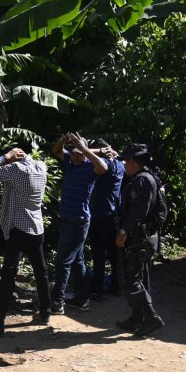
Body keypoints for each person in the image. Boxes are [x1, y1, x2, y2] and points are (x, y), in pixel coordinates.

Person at [0, 145, 50, 337]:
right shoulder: (41, 166)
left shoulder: (16, 169)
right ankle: (46, 312)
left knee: (8, 276)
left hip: (19, 229)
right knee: (41, 272)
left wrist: (6, 157)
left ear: (15, 157)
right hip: (36, 227)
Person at [49, 132, 109, 313]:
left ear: (85, 152)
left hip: (79, 221)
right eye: (73, 152)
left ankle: (57, 301)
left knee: (62, 261)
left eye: (79, 153)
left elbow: (104, 168)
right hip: (67, 219)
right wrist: (63, 139)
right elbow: (56, 150)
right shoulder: (69, 162)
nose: (75, 156)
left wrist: (84, 149)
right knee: (77, 261)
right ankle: (83, 298)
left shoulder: (90, 167)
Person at [114, 143, 163, 336]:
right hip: (143, 236)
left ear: (133, 162)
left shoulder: (142, 180)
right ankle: (136, 317)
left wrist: (124, 231)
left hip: (138, 237)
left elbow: (138, 211)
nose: (124, 165)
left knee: (130, 279)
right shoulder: (148, 177)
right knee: (138, 277)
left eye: (126, 161)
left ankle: (151, 317)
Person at [86, 140, 123, 300]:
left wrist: (99, 151)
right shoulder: (120, 165)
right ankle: (117, 286)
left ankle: (97, 289)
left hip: (101, 215)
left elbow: (82, 152)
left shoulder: (105, 166)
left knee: (99, 253)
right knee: (114, 254)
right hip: (113, 215)